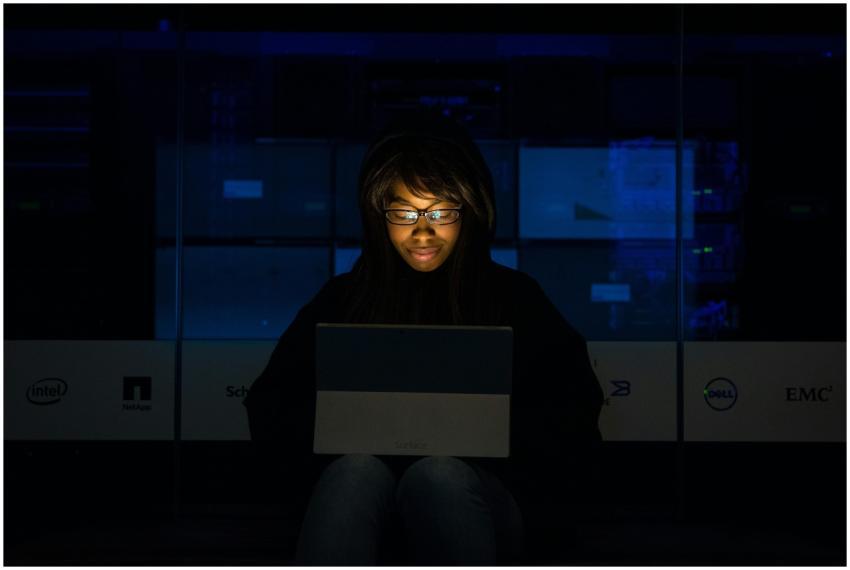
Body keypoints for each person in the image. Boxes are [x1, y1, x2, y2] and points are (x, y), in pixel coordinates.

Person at [243, 109, 603, 565]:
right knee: (355, 472)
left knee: (438, 476)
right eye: (404, 212)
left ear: (469, 211)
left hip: (487, 496)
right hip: (363, 496)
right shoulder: (344, 299)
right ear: (380, 216)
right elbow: (272, 406)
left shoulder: (515, 299)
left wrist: (489, 443)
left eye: (440, 211)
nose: (422, 231)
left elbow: (572, 416)